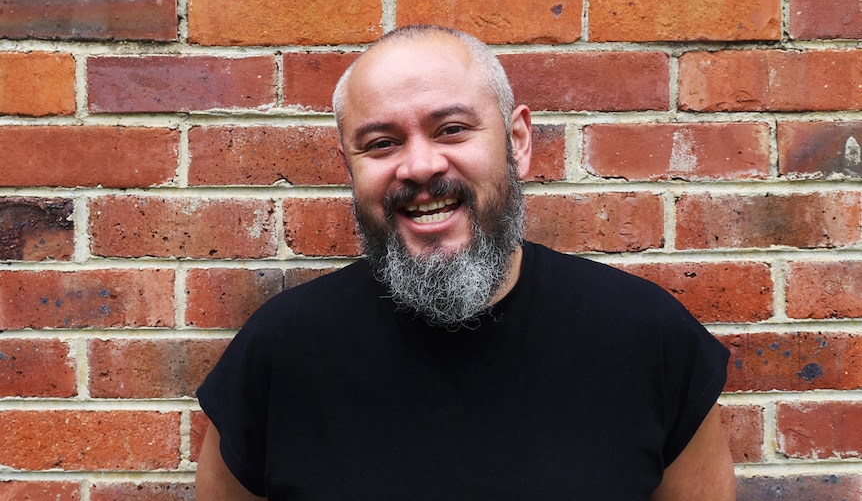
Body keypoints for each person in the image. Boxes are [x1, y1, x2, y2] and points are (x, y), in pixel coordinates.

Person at [195, 25, 735, 500]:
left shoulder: (647, 338)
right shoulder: (278, 353)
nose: (421, 165)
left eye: (451, 128)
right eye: (381, 143)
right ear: (350, 168)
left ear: (517, 141)